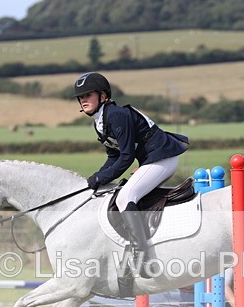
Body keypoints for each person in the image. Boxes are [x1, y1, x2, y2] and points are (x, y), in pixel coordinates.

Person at [73, 71, 189, 267]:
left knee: (125, 196)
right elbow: (113, 156)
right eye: (81, 97)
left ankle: (142, 254)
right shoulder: (101, 121)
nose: (83, 100)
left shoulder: (116, 116)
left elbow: (126, 157)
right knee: (113, 193)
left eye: (88, 95)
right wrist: (96, 178)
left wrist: (100, 178)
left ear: (103, 96)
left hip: (163, 158)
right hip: (152, 160)